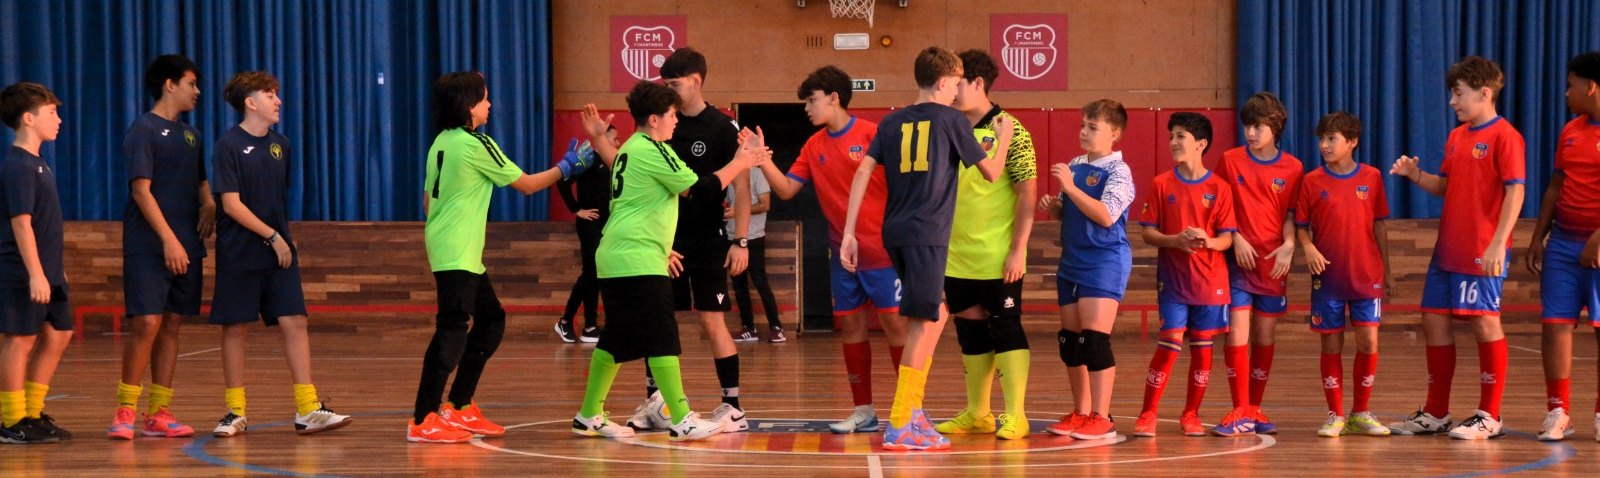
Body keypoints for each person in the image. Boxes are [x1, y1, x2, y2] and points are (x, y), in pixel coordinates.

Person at [571, 80, 768, 442]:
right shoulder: (652, 150)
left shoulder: (631, 148)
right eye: (672, 114)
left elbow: (639, 205)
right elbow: (701, 191)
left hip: (620, 254)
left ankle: (588, 415)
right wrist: (741, 161)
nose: (677, 120)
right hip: (636, 259)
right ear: (655, 118)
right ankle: (682, 418)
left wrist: (661, 246)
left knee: (615, 339)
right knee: (662, 337)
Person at [408, 71, 595, 443]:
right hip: (458, 252)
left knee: (492, 319)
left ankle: (459, 406)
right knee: (451, 331)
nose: (490, 105)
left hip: (450, 248)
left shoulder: (439, 144)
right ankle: (423, 418)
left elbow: (428, 203)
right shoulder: (477, 144)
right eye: (484, 99)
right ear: (467, 106)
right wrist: (566, 169)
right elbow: (525, 185)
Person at [842, 46, 1007, 451]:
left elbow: (863, 172)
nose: (957, 91)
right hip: (927, 234)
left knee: (937, 313)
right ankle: (902, 420)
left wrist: (849, 232)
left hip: (895, 232)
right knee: (924, 323)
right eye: (955, 83)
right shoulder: (951, 119)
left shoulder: (891, 121)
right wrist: (1002, 139)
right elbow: (991, 172)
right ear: (942, 82)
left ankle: (912, 412)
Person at [755, 65, 907, 434]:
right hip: (843, 255)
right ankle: (864, 411)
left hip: (884, 253)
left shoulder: (875, 134)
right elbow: (787, 190)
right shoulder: (813, 144)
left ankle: (908, 412)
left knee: (896, 329)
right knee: (851, 327)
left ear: (834, 98)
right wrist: (762, 159)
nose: (807, 108)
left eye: (812, 100)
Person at [208, 71, 353, 439]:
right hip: (240, 252)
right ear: (250, 103)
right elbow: (231, 204)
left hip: (280, 252)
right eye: (269, 94)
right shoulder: (227, 145)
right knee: (235, 328)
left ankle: (308, 408)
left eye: (277, 93)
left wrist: (279, 240)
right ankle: (235, 412)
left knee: (295, 322)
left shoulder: (281, 145)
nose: (278, 100)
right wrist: (272, 236)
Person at [1388, 56, 1525, 440]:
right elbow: (1447, 187)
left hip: (1483, 248)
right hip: (1448, 247)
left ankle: (1490, 415)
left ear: (1484, 93)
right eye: (1452, 93)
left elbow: (1517, 189)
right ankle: (1436, 412)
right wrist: (1415, 175)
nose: (1452, 101)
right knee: (1433, 319)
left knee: (1485, 321)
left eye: (1458, 93)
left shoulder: (1506, 136)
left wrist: (1499, 241)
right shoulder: (1457, 136)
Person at [110, 54, 214, 440]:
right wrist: (169, 238)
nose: (197, 91)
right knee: (147, 323)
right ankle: (124, 411)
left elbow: (200, 178)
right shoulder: (143, 129)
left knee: (171, 324)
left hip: (188, 245)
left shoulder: (192, 135)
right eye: (191, 83)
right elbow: (141, 189)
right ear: (169, 84)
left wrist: (209, 202)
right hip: (150, 246)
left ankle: (159, 413)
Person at [935, 49, 1036, 441]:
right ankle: (978, 412)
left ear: (977, 83)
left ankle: (1016, 415)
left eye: (957, 84)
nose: (952, 92)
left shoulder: (1013, 129)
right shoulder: (949, 128)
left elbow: (1027, 193)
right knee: (970, 331)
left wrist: (1018, 248)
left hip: (998, 254)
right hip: (957, 254)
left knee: (1006, 327)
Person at [1133, 112, 1236, 438]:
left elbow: (1228, 238)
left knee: (1203, 351)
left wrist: (1208, 241)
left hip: (1210, 282)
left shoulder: (1220, 188)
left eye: (1181, 136)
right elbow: (1148, 233)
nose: (1174, 142)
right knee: (1170, 344)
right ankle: (1148, 412)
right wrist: (1175, 241)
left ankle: (1191, 414)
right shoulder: (1162, 183)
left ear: (1201, 144)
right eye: (1171, 136)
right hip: (1174, 282)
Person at [1039, 99, 1134, 441]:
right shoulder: (1077, 164)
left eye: (1093, 127)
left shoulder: (1120, 173)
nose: (1084, 132)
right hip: (1072, 262)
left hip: (1104, 261)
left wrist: (1070, 189)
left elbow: (1106, 215)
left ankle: (1102, 416)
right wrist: (1056, 208)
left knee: (1094, 340)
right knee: (1071, 342)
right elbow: (1073, 211)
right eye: (1083, 125)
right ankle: (1081, 412)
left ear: (1114, 133)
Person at [1210, 92, 1302, 437]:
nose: (1251, 132)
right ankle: (1239, 408)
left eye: (1259, 126)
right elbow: (1219, 207)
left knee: (1265, 336)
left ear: (1275, 127)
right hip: (1237, 261)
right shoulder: (1230, 161)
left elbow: (1290, 217)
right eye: (1248, 125)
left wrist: (1290, 244)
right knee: (1238, 333)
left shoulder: (1293, 168)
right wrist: (1235, 237)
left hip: (1273, 263)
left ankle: (1253, 407)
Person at [1296, 112, 1393, 437]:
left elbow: (1379, 225)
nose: (1324, 145)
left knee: (1368, 341)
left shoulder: (1373, 177)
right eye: (1321, 139)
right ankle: (1335, 414)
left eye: (1332, 139)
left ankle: (1361, 412)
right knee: (1331, 344)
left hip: (1367, 276)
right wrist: (1307, 246)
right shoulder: (1311, 181)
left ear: (1352, 142)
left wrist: (1387, 270)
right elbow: (1300, 228)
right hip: (1328, 281)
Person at [1526, 50, 1600, 442]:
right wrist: (1539, 237)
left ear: (1591, 86)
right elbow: (1555, 187)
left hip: (1598, 248)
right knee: (1555, 326)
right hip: (1563, 246)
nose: (1566, 93)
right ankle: (1558, 411)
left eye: (1571, 85)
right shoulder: (1571, 130)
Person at [0, 82, 72, 444]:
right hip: (23, 272)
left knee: (60, 333)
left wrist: (54, 269)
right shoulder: (17, 165)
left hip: (49, 270)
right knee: (20, 340)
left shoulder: (38, 162)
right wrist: (36, 274)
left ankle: (32, 412)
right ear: (28, 119)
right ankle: (11, 422)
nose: (58, 119)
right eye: (51, 113)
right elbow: (20, 222)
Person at [555, 126, 616, 344]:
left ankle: (590, 326)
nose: (618, 143)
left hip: (604, 226)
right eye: (615, 139)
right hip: (589, 225)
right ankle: (565, 320)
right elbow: (561, 181)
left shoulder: (610, 164)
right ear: (603, 138)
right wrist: (576, 209)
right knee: (590, 273)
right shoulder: (587, 160)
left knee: (596, 274)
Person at [726, 166, 783, 342]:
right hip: (731, 236)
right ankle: (748, 328)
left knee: (759, 281)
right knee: (738, 284)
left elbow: (765, 204)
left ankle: (776, 327)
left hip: (753, 236)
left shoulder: (757, 174)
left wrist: (739, 211)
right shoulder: (729, 174)